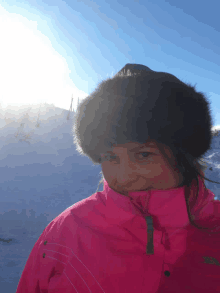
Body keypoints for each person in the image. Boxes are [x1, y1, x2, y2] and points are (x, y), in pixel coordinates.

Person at [16, 64, 220, 293]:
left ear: (185, 156)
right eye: (111, 156)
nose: (124, 176)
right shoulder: (69, 229)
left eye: (144, 154)